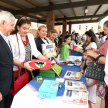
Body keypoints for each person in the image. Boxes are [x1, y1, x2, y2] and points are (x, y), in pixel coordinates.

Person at [9, 17, 47, 81]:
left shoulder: (30, 36)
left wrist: (43, 58)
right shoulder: (11, 38)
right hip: (17, 71)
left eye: (28, 28)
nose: (27, 31)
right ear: (18, 27)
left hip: (27, 68)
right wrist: (23, 65)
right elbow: (10, 58)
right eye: (24, 28)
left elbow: (34, 50)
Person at [86, 20, 108, 108]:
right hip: (104, 74)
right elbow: (103, 50)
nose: (104, 32)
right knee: (103, 97)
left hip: (103, 72)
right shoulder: (106, 39)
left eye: (105, 30)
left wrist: (95, 55)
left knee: (104, 98)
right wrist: (96, 51)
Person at [0, 11, 16, 108]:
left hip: (6, 86)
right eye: (12, 25)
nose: (13, 28)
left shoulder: (5, 38)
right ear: (2, 23)